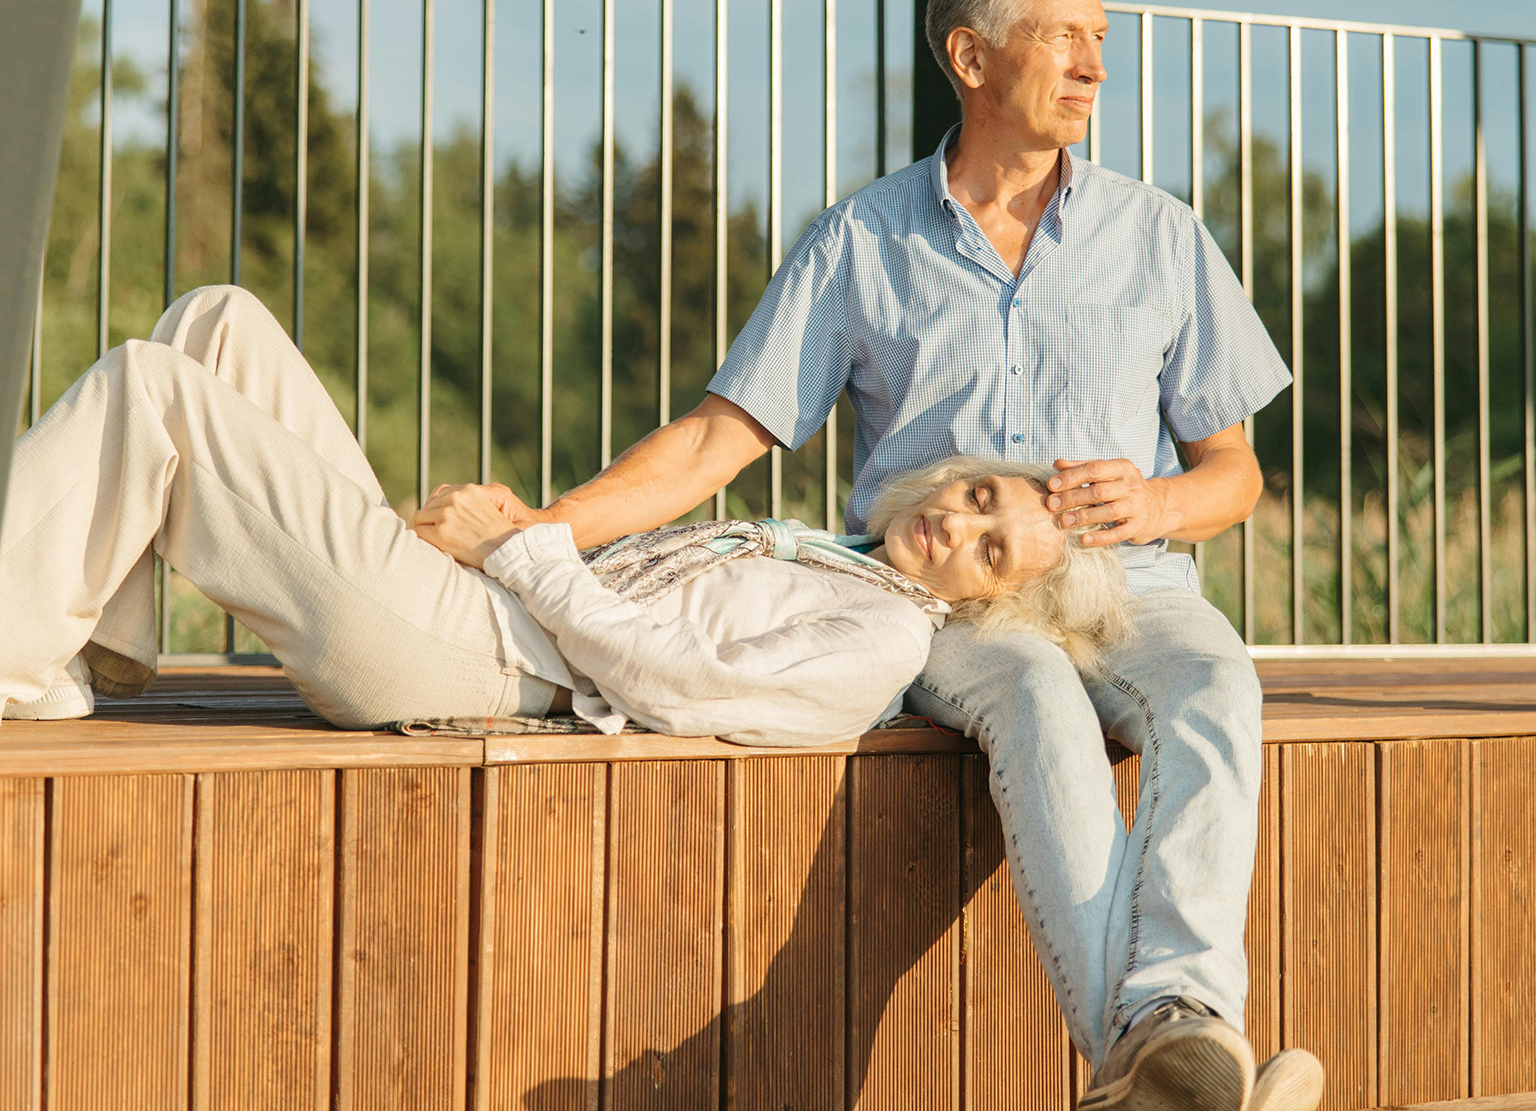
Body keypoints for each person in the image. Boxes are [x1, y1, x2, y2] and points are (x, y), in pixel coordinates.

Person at [435, 0, 1324, 1111]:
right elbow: (716, 438)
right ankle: (1172, 1058)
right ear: (972, 55)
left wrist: (1162, 497)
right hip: (952, 607)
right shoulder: (862, 240)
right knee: (1030, 697)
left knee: (1216, 692)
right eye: (1063, 34)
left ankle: (1174, 1029)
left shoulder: (1161, 235)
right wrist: (540, 534)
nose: (1093, 60)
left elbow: (1235, 475)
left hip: (1132, 585)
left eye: (1100, 36)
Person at [0, 284, 1128, 751]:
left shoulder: (883, 638)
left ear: (997, 602)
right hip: (473, 606)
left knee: (152, 386)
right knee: (216, 321)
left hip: (470, 663)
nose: (962, 526)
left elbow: (672, 682)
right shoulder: (840, 559)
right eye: (978, 496)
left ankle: (7, 658)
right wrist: (504, 547)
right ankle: (85, 655)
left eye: (992, 552)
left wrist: (518, 545)